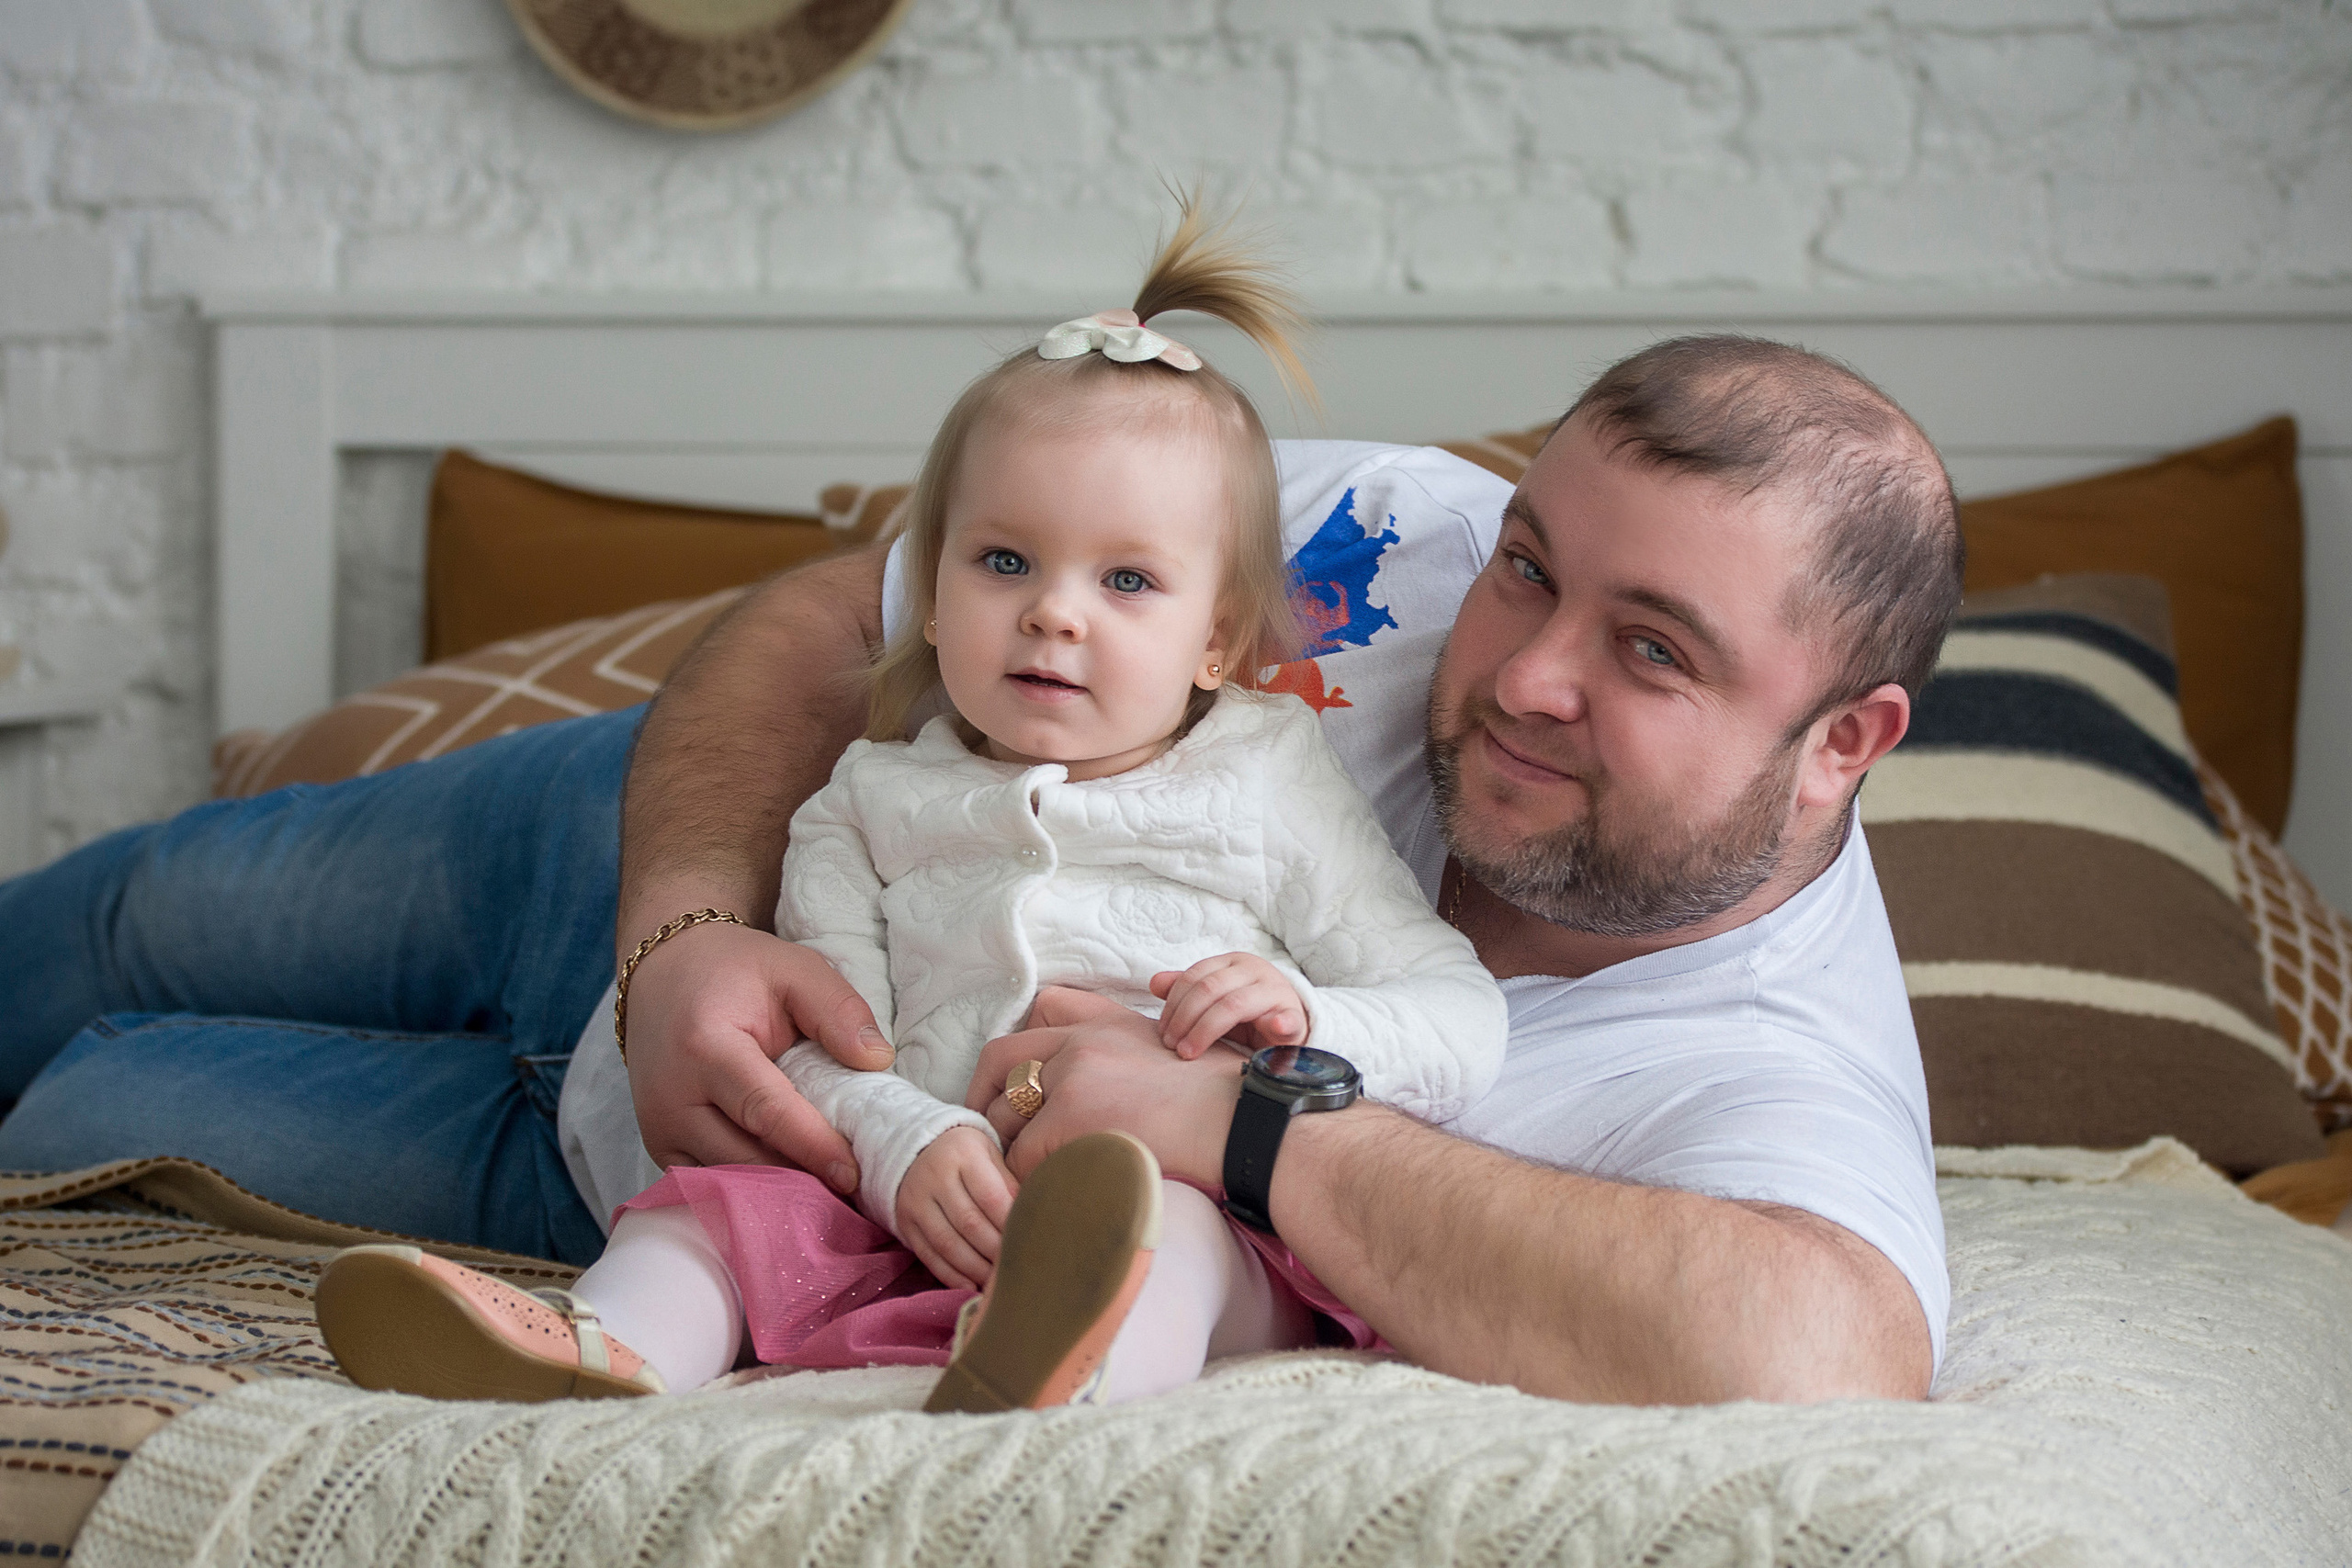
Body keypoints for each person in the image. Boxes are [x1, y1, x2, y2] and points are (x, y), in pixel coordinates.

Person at [0, 329, 1957, 1406]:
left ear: (1841, 744)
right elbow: (796, 630)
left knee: (83, 1099)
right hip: (625, 856)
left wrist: (1237, 1127)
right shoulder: (1377, 541)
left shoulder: (1767, 1057)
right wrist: (684, 927)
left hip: (650, 1179)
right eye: (1536, 560)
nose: (1518, 662)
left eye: (1652, 649)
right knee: (79, 934)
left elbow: (1816, 1347)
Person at [309, 208, 1506, 1412]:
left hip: (1168, 1184)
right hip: (905, 1202)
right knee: (711, 1218)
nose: (1055, 614)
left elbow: (1460, 1019)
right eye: (1003, 563)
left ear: (1219, 641)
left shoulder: (1271, 779)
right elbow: (822, 1048)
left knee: (1180, 1238)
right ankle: (601, 1351)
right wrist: (899, 1144)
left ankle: (1071, 1366)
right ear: (927, 597)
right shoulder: (867, 804)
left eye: (1128, 580)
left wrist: (1306, 1015)